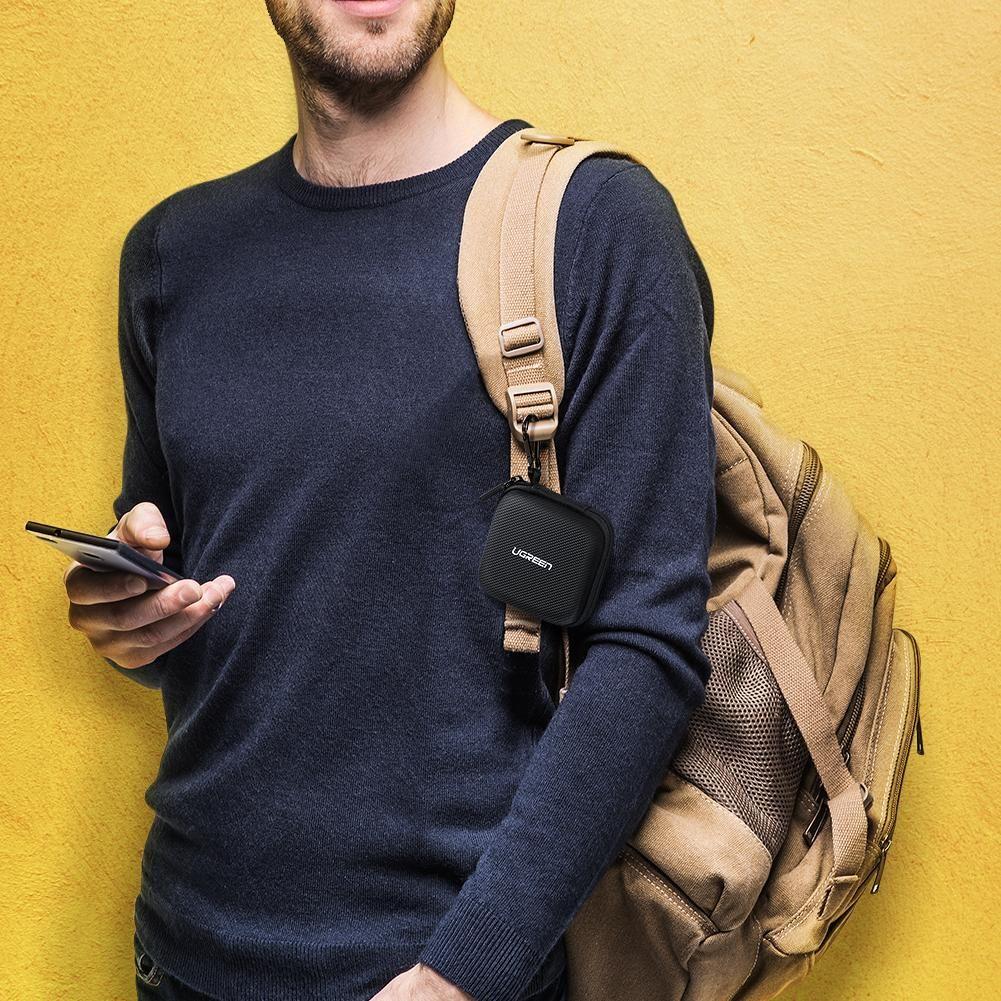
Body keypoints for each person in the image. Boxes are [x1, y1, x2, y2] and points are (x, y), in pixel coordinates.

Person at [63, 1, 718, 999]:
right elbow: (224, 605)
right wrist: (133, 620)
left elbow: (647, 641)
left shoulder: (594, 225)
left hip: (440, 970)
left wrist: (465, 969)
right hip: (183, 952)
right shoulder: (171, 252)